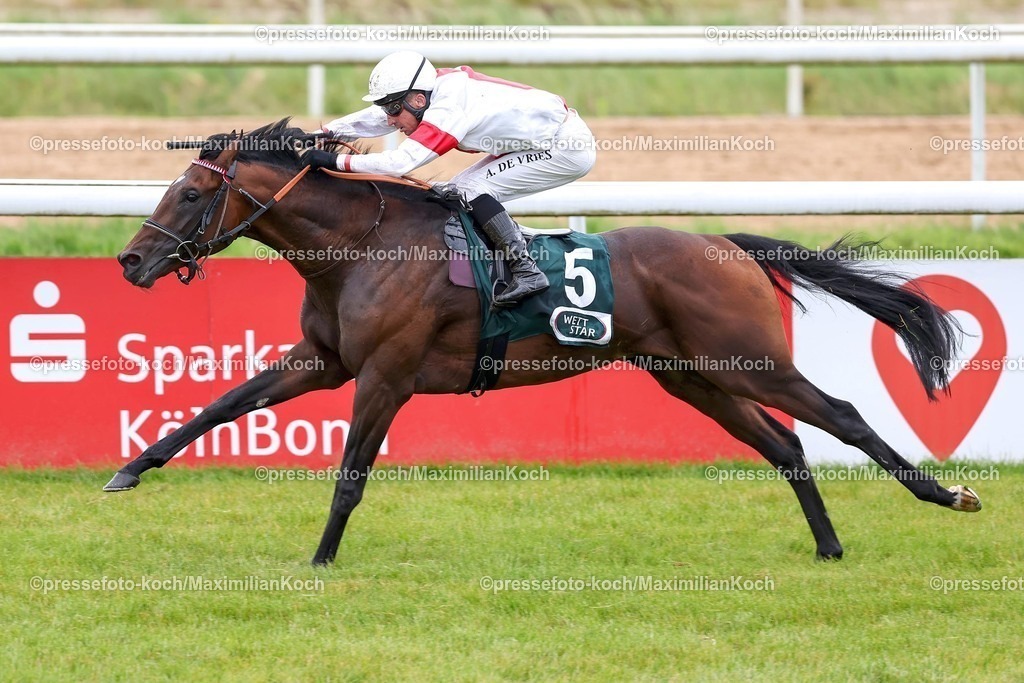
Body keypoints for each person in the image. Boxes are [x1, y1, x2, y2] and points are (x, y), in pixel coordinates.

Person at [301, 50, 597, 306]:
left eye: (393, 109)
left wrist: (336, 161)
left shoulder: (449, 108)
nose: (390, 120)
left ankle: (526, 271)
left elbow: (400, 163)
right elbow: (376, 118)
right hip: (538, 141)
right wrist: (321, 133)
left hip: (563, 147)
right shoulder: (428, 94)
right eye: (388, 108)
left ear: (418, 99)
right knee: (453, 190)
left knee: (470, 190)